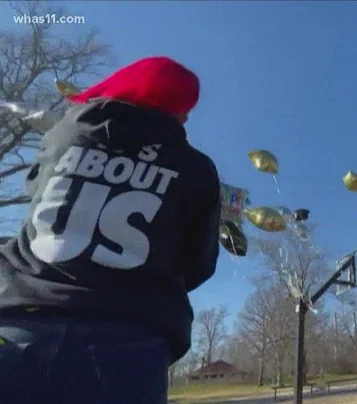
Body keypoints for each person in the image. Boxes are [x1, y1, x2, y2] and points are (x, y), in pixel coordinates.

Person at [0, 57, 220, 404]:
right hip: (127, 343)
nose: (187, 117)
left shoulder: (62, 136)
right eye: (184, 107)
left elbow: (35, 193)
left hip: (19, 325)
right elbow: (199, 264)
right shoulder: (197, 168)